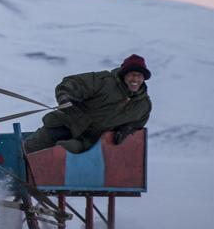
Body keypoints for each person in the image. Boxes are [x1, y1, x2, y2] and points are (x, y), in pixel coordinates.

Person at [24, 54, 152, 154]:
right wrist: (65, 97)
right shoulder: (103, 81)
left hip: (87, 142)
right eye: (132, 75)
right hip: (64, 124)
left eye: (139, 76)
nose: (135, 79)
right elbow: (73, 83)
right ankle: (9, 182)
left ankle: (44, 185)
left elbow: (138, 124)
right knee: (25, 150)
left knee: (61, 154)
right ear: (124, 75)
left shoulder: (143, 105)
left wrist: (126, 129)